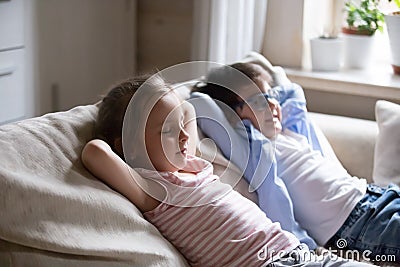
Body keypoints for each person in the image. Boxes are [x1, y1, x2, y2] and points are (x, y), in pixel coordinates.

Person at [81, 74, 372, 267]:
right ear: (129, 147)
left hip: (295, 252)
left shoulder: (193, 166)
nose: (184, 136)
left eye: (182, 123)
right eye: (168, 130)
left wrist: (174, 109)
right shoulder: (153, 188)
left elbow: (191, 113)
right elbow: (95, 151)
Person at [191, 61, 400, 263]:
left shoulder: (291, 131)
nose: (271, 104)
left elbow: (294, 92)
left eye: (271, 96)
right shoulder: (253, 147)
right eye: (257, 102)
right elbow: (201, 105)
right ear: (234, 116)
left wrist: (264, 93)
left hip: (378, 195)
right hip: (357, 224)